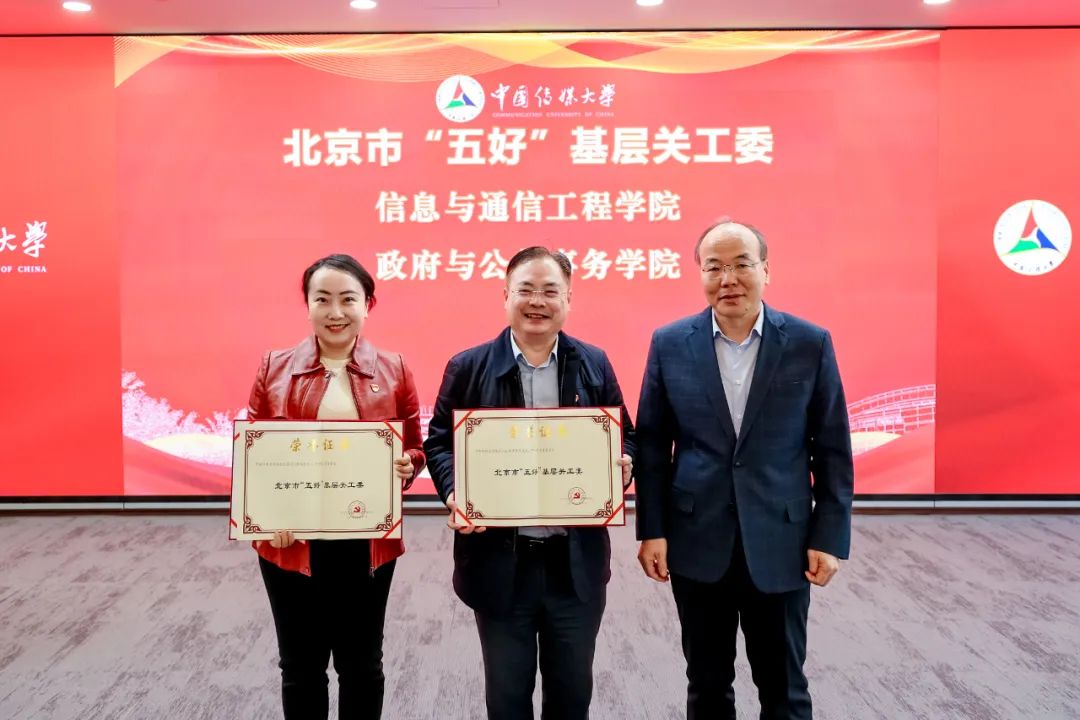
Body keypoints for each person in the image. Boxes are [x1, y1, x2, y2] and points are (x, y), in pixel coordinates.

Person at [634, 220, 854, 719]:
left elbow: (833, 450)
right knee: (706, 686)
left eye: (741, 265)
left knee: (784, 688)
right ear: (700, 274)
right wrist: (653, 530)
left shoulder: (809, 342)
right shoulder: (670, 343)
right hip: (696, 540)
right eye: (714, 267)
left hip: (782, 542)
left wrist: (830, 536)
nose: (727, 279)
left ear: (766, 270)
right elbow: (653, 447)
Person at [423, 246, 635, 720]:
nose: (537, 301)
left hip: (573, 565)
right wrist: (456, 492)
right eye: (526, 290)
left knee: (572, 697)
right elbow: (439, 443)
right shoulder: (468, 366)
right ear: (505, 295)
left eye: (550, 291)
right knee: (507, 699)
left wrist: (625, 463)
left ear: (568, 299)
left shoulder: (594, 362)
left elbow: (626, 434)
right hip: (500, 564)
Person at [245, 253, 425, 720]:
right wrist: (266, 519)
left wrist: (407, 465)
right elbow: (254, 457)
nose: (335, 312)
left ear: (368, 304)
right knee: (300, 667)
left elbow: (414, 447)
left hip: (366, 543)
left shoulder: (395, 369)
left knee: (361, 665)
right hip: (290, 543)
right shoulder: (274, 367)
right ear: (307, 305)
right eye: (322, 299)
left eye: (348, 299)